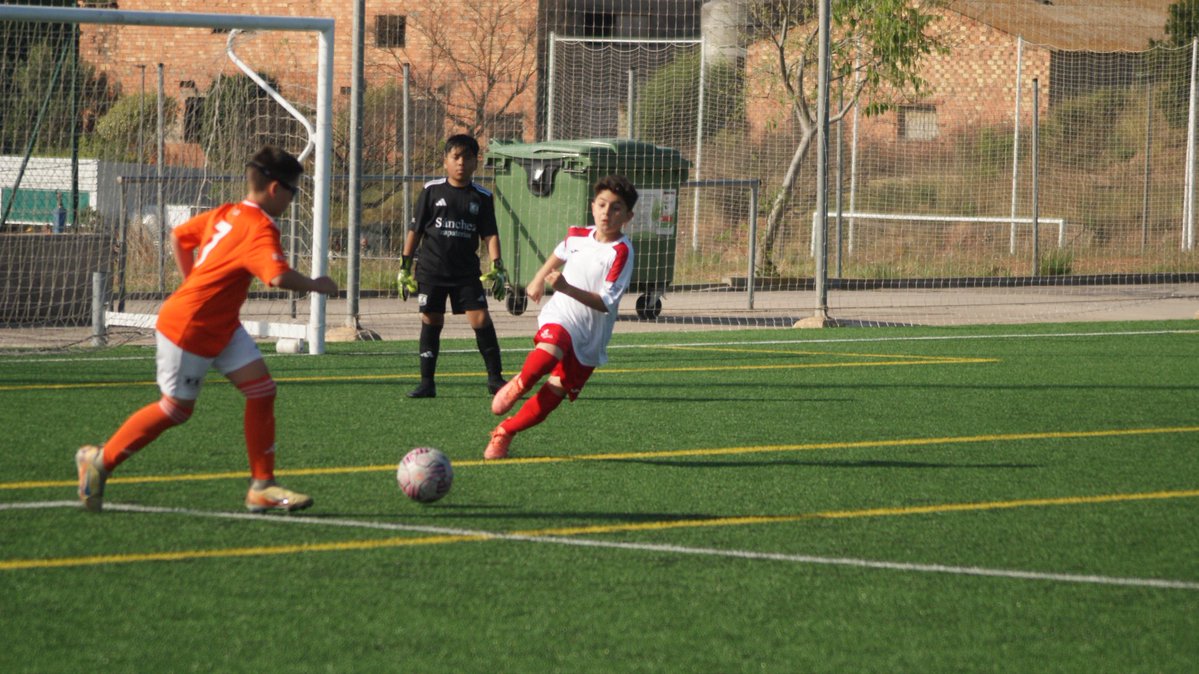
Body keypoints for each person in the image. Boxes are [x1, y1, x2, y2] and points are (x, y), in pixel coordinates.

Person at [75, 145, 338, 514]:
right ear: (277, 189)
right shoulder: (260, 226)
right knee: (176, 410)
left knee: (262, 392)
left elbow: (181, 236)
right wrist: (317, 284)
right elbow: (276, 277)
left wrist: (190, 282)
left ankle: (261, 487)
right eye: (295, 192)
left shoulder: (228, 213)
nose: (294, 200)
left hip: (222, 325)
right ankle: (99, 462)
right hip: (190, 327)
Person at [485, 175, 638, 460]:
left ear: (628, 216)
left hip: (591, 333)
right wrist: (537, 280)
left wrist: (567, 287)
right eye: (602, 205)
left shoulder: (622, 252)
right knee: (547, 354)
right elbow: (558, 253)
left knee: (553, 394)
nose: (607, 212)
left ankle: (504, 432)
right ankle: (520, 383)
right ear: (593, 207)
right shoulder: (578, 235)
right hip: (561, 314)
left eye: (616, 208)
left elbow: (605, 302)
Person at [397, 134, 507, 398]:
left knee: (481, 319)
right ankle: (427, 382)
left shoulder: (481, 196)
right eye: (455, 157)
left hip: (466, 273)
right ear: (445, 161)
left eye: (467, 157)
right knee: (431, 318)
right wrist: (404, 267)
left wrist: (498, 266)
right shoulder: (431, 191)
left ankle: (495, 379)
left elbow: (490, 234)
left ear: (475, 163)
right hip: (432, 270)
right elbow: (415, 230)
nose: (461, 163)